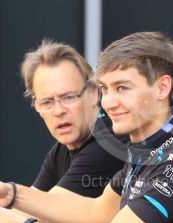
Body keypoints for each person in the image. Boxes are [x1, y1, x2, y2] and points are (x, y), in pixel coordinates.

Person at [0, 32, 173, 223]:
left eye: (122, 88)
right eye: (105, 89)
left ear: (162, 87)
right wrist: (9, 194)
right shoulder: (147, 145)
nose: (109, 102)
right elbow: (97, 212)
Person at [20, 40, 124, 198]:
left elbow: (48, 208)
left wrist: (7, 194)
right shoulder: (60, 151)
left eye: (68, 97)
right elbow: (28, 206)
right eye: (47, 102)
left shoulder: (110, 143)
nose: (59, 111)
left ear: (93, 94)